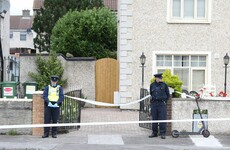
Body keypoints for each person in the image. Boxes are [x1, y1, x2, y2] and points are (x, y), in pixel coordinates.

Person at [149, 73, 170, 139]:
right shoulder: (152, 85)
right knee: (154, 118)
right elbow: (151, 93)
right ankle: (154, 133)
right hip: (154, 103)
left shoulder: (164, 85)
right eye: (158, 78)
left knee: (162, 119)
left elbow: (168, 94)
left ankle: (162, 133)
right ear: (156, 78)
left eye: (160, 78)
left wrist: (164, 101)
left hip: (161, 104)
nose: (159, 79)